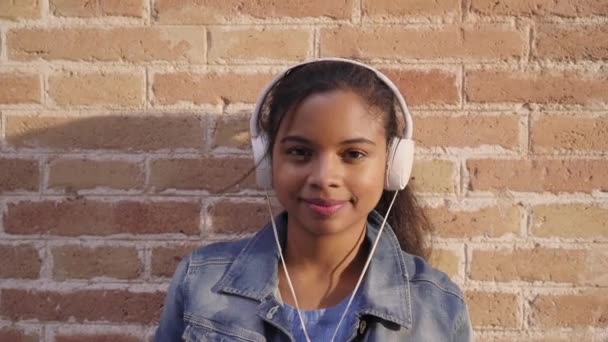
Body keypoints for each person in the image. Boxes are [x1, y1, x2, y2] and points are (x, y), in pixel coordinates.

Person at [154, 58, 472, 341]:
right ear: (268, 161)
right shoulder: (200, 281)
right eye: (300, 152)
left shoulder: (436, 308)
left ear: (392, 166)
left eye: (353, 154)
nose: (323, 177)